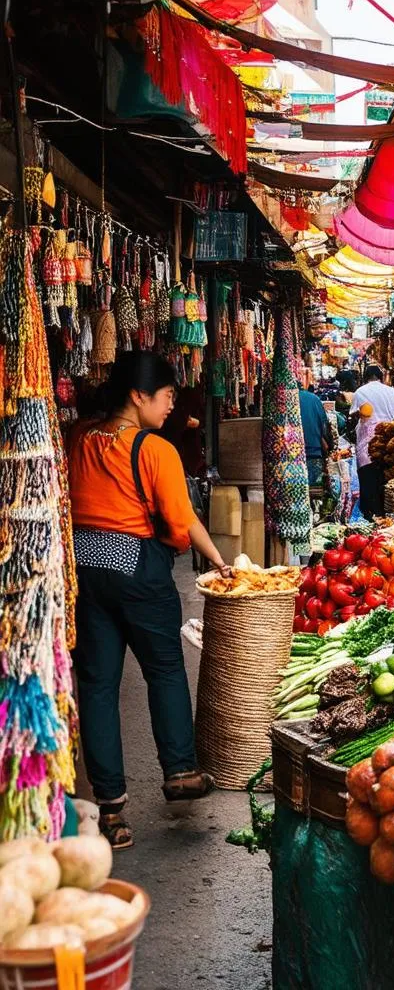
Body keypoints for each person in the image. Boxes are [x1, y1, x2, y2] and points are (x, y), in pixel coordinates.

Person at [68, 351, 229, 849]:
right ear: (139, 396)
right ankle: (180, 770)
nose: (170, 406)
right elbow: (179, 524)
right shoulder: (155, 450)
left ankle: (111, 811)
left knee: (96, 684)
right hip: (137, 567)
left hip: (85, 567)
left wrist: (217, 558)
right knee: (163, 668)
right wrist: (212, 559)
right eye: (166, 397)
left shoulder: (77, 437)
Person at [351, 365, 394, 519]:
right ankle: (389, 513)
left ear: (365, 377)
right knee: (388, 478)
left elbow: (356, 414)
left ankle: (372, 515)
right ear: (381, 377)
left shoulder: (360, 392)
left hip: (368, 442)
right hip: (390, 440)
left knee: (368, 480)